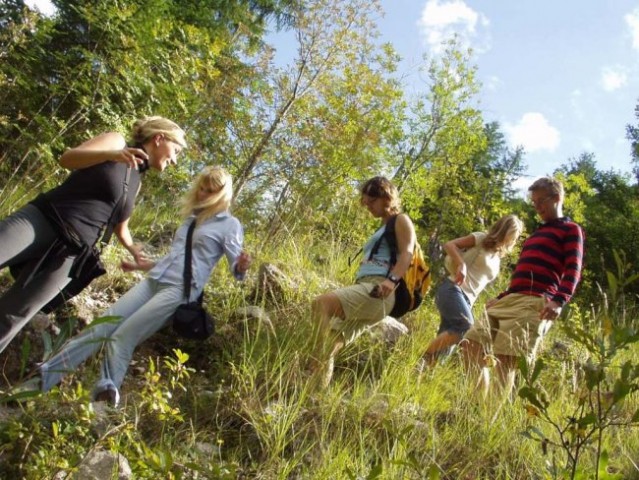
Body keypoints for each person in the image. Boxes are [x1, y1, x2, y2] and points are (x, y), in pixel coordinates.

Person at [32, 166, 251, 406]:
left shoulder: (230, 225)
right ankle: (44, 377)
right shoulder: (191, 220)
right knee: (102, 325)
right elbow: (177, 259)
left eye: (209, 191)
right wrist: (142, 266)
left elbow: (235, 268)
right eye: (201, 187)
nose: (202, 194)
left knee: (122, 337)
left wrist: (241, 265)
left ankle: (106, 396)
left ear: (221, 195)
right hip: (155, 280)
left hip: (179, 291)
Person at [0, 116, 186, 354]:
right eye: (176, 150)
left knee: (12, 315)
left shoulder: (137, 181)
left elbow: (121, 225)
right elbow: (67, 158)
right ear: (159, 138)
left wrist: (133, 249)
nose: (176, 160)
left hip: (72, 254)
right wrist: (110, 155)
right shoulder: (116, 142)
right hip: (44, 220)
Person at [460, 177, 584, 395]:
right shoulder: (535, 235)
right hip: (510, 299)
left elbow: (573, 269)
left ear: (556, 198)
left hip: (535, 302)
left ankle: (488, 421)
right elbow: (523, 274)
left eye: (541, 201)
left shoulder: (571, 230)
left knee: (505, 362)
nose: (537, 207)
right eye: (534, 202)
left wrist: (559, 300)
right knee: (470, 345)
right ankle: (476, 405)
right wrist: (502, 296)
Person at [311, 176, 416, 386]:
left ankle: (313, 361)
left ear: (387, 197)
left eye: (371, 201)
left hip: (380, 290)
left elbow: (407, 253)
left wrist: (391, 281)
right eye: (365, 202)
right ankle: (315, 391)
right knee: (331, 344)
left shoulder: (401, 220)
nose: (367, 205)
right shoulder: (382, 227)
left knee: (320, 304)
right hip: (368, 287)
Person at [422, 215, 524, 365]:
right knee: (467, 328)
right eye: (513, 234)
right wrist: (461, 264)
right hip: (453, 289)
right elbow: (450, 245)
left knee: (446, 348)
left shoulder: (498, 257)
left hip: (467, 300)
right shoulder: (481, 238)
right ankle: (424, 355)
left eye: (516, 236)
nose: (513, 239)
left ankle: (423, 370)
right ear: (504, 230)